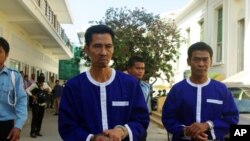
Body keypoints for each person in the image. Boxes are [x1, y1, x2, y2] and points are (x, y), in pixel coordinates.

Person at [58, 25, 149, 141]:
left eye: (108, 46)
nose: (103, 52)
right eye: (97, 46)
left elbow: (141, 120)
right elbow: (67, 126)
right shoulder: (73, 87)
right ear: (86, 49)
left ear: (113, 48)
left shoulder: (130, 84)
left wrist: (122, 131)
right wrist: (92, 138)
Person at [161, 42, 239, 141]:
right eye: (196, 60)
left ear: (211, 61)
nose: (201, 64)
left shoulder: (222, 89)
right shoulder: (177, 90)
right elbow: (168, 118)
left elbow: (232, 118)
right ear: (188, 61)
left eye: (205, 59)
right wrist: (186, 131)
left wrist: (207, 125)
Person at [0, 37, 28, 141]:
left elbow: (21, 101)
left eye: (0, 51)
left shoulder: (14, 76)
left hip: (6, 126)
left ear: (6, 55)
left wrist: (18, 126)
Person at [127, 55, 151, 141]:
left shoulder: (146, 87)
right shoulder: (122, 85)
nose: (140, 71)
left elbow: (147, 108)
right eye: (137, 68)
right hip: (125, 128)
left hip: (140, 128)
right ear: (129, 69)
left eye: (142, 68)